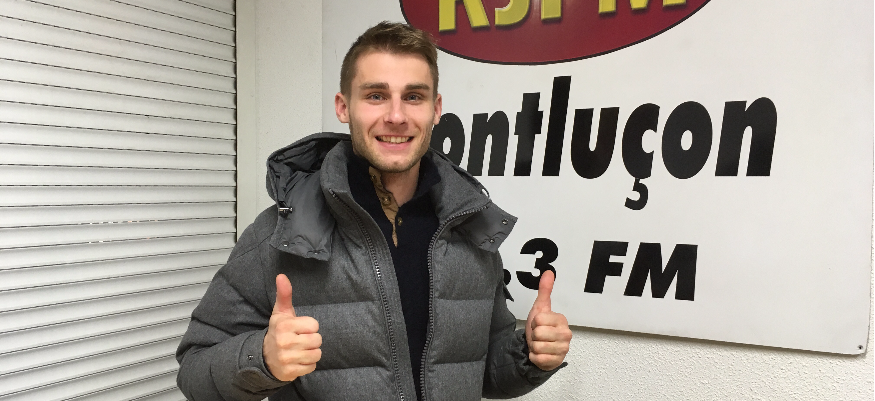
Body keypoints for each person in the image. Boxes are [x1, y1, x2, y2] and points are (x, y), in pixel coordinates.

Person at [176, 21, 571, 401]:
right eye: (376, 95)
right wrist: (261, 359)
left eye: (413, 97)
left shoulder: (469, 226)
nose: (396, 116)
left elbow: (480, 371)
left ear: (435, 109)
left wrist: (530, 353)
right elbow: (194, 371)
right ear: (343, 107)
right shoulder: (281, 235)